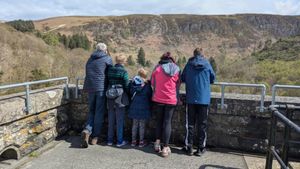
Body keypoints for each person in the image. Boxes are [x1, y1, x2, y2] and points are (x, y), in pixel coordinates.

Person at [181, 48, 215, 156]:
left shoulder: (189, 64)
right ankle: (201, 148)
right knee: (202, 124)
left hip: (191, 98)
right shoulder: (207, 64)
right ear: (202, 54)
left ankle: (189, 147)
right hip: (204, 99)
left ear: (194, 54)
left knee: (190, 124)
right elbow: (212, 78)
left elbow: (183, 78)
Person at [81, 43, 113, 148]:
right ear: (105, 50)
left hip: (90, 88)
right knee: (99, 112)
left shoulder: (90, 59)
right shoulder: (107, 58)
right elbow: (111, 73)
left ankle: (87, 130)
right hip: (100, 88)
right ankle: (95, 137)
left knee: (91, 110)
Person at [151, 52, 180, 157]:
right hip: (171, 99)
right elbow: (178, 85)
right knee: (167, 122)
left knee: (159, 121)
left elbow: (152, 83)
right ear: (172, 59)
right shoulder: (176, 69)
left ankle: (157, 144)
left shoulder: (157, 68)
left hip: (158, 98)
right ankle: (165, 148)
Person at [106, 55, 130, 147]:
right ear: (123, 61)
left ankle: (109, 140)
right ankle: (119, 141)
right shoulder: (124, 71)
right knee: (119, 121)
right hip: (120, 98)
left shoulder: (110, 70)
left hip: (110, 96)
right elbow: (126, 85)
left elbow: (107, 81)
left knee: (111, 120)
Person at [128, 68, 152, 147]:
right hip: (144, 107)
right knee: (142, 125)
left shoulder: (132, 83)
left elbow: (130, 93)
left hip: (134, 107)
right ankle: (141, 141)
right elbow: (150, 95)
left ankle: (133, 141)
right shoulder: (147, 85)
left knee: (134, 124)